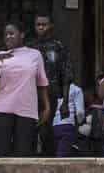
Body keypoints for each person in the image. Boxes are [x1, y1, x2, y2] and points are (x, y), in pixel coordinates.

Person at [0, 21, 51, 157]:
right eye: (5, 34)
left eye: (11, 33)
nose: (8, 37)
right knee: (0, 151)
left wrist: (47, 107)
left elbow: (42, 83)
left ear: (22, 35)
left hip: (27, 109)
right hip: (3, 108)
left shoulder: (35, 55)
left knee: (23, 152)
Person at [30, 13, 75, 156]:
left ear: (51, 26)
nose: (41, 27)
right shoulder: (29, 47)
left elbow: (66, 75)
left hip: (51, 96)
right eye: (38, 25)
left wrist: (65, 102)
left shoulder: (59, 47)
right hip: (30, 95)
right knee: (29, 132)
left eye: (44, 24)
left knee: (47, 132)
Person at [51, 80, 86, 157]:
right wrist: (80, 122)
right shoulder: (76, 90)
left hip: (55, 125)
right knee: (62, 156)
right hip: (68, 124)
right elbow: (80, 112)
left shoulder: (58, 89)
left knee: (59, 151)